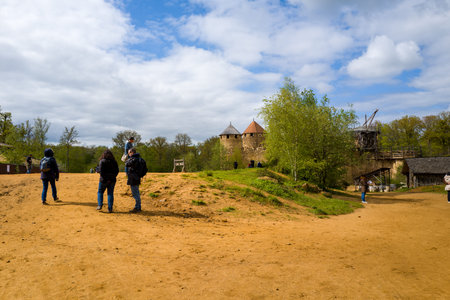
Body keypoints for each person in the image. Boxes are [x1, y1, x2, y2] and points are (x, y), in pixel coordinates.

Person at [125, 147, 145, 213]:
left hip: (133, 178)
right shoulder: (138, 158)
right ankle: (138, 207)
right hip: (137, 177)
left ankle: (137, 207)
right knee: (136, 193)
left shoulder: (133, 159)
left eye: (129, 153)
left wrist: (125, 160)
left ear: (132, 152)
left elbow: (127, 164)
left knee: (135, 193)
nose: (128, 154)